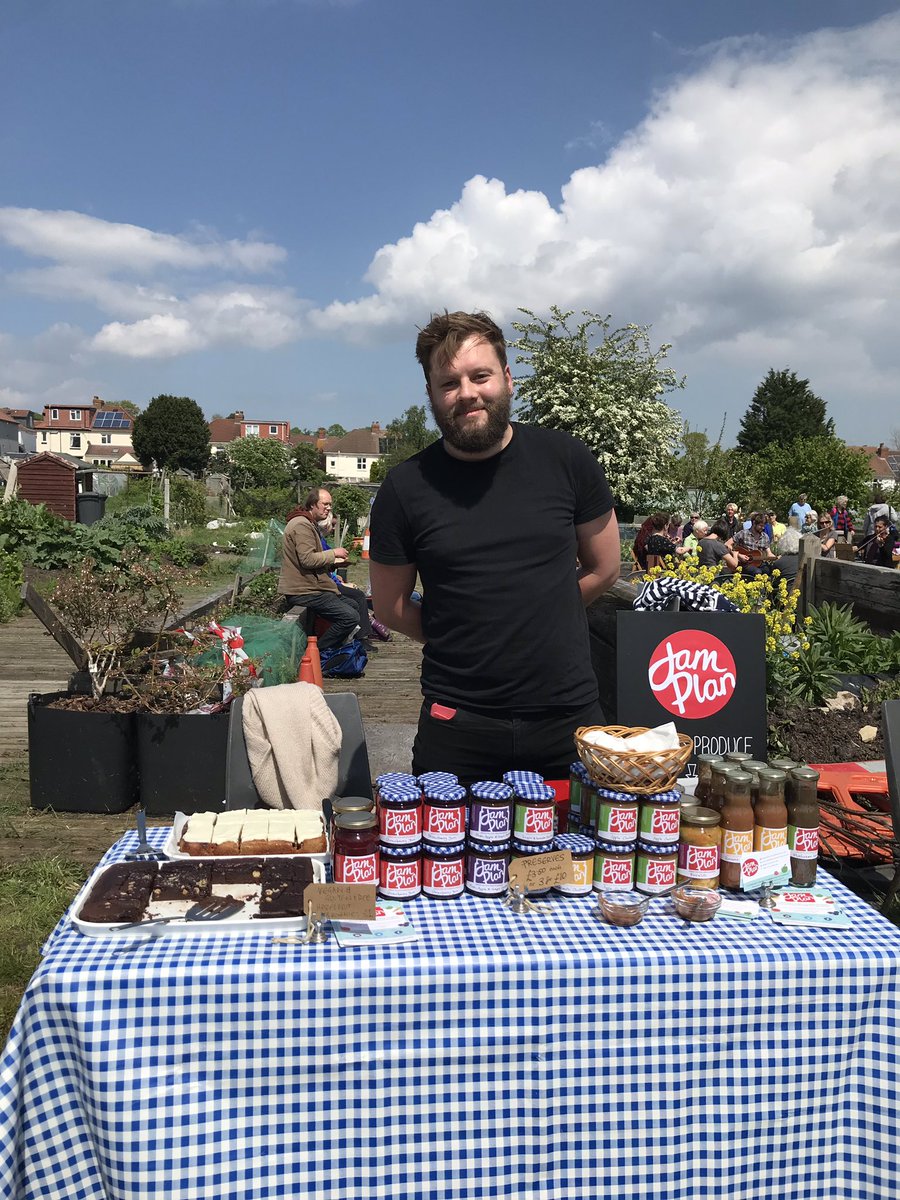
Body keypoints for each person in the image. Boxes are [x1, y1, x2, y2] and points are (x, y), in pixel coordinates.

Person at [369, 310, 620, 782]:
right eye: (449, 383)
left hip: (567, 715)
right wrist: (463, 634)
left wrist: (541, 615)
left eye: (480, 376)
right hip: (457, 721)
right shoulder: (405, 487)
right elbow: (390, 606)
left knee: (579, 833)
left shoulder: (567, 459)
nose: (466, 393)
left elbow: (605, 568)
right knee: (444, 833)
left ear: (507, 378)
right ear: (431, 394)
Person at [277, 489, 360, 651]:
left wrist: (333, 564)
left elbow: (309, 560)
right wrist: (333, 553)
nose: (328, 508)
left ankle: (330, 648)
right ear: (312, 505)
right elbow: (307, 559)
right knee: (350, 617)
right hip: (303, 590)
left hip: (310, 588)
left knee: (353, 604)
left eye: (330, 505)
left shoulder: (307, 522)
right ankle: (317, 652)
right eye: (325, 504)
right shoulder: (302, 525)